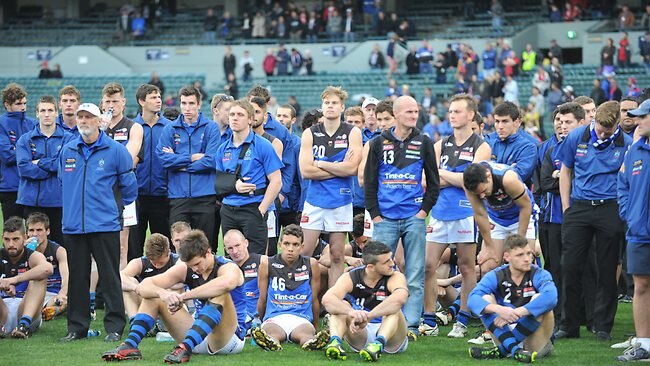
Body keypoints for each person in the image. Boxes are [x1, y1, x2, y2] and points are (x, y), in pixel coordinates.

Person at [102, 230, 247, 363]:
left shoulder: (228, 267)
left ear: (208, 252)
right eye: (191, 266)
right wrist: (164, 294)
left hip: (227, 340)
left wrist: (184, 296)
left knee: (221, 294)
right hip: (197, 336)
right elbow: (145, 285)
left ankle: (185, 348)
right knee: (154, 296)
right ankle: (130, 345)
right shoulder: (186, 268)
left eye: (197, 263)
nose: (195, 269)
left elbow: (225, 284)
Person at [58, 102, 138, 343]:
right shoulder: (68, 150)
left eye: (88, 117)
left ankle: (114, 327)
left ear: (98, 121)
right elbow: (63, 182)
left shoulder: (116, 151)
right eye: (80, 117)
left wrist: (111, 209)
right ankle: (77, 328)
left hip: (105, 225)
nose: (82, 121)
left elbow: (130, 189)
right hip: (74, 226)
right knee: (77, 277)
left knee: (109, 276)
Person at [364, 95, 439, 337]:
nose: (414, 116)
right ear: (396, 114)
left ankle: (412, 325)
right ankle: (379, 321)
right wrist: (375, 215)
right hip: (384, 218)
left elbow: (434, 183)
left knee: (415, 273)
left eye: (416, 111)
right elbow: (369, 183)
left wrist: (422, 213)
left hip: (413, 218)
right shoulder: (377, 143)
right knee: (380, 271)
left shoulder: (424, 142)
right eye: (408, 112)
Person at [556, 101, 632, 341]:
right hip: (579, 207)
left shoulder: (626, 144)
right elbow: (566, 171)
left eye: (607, 132)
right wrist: (567, 207)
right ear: (594, 120)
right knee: (570, 266)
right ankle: (569, 325)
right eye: (599, 128)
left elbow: (627, 179)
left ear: (616, 126)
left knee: (607, 269)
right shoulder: (577, 136)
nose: (601, 134)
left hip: (610, 207)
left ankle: (602, 326)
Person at [422, 94, 491, 338]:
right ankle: (428, 320)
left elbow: (472, 183)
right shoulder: (441, 143)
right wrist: (454, 177)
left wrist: (443, 174)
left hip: (465, 213)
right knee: (428, 266)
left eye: (457, 111)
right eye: (450, 111)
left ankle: (461, 320)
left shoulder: (481, 146)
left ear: (471, 115)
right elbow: (426, 180)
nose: (452, 115)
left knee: (466, 266)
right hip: (439, 213)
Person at [299, 86, 362, 288]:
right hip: (315, 200)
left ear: (342, 107)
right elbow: (306, 171)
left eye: (334, 103)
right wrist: (338, 167)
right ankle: (302, 297)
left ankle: (332, 304)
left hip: (341, 201)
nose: (330, 106)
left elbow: (352, 168)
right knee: (304, 252)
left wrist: (322, 163)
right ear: (322, 106)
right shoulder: (310, 133)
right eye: (327, 103)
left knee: (337, 255)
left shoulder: (352, 132)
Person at [468, 234, 556, 364]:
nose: (527, 259)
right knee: (485, 299)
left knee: (541, 300)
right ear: (507, 257)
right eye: (520, 255)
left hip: (535, 339)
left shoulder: (538, 274)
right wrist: (499, 309)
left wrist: (518, 312)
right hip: (504, 329)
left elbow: (551, 297)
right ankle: (514, 349)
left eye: (528, 254)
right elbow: (472, 299)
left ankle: (504, 350)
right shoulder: (497, 275)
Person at [157, 86, 221, 251]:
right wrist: (192, 157)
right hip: (179, 197)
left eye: (191, 103)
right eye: (184, 103)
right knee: (179, 247)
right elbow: (163, 159)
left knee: (205, 247)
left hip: (205, 196)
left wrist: (179, 163)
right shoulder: (170, 129)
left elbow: (212, 160)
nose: (187, 108)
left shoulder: (211, 128)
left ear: (199, 104)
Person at [322, 241, 409, 361]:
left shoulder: (395, 276)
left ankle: (378, 345)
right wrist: (351, 312)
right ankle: (335, 343)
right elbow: (327, 299)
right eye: (386, 262)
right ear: (371, 267)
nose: (392, 263)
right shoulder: (351, 276)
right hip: (359, 331)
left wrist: (369, 316)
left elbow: (400, 298)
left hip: (392, 337)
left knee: (394, 309)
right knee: (340, 306)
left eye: (390, 258)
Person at [217, 99, 283, 255]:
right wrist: (234, 186)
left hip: (253, 207)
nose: (234, 118)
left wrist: (261, 209)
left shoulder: (263, 145)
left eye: (240, 114)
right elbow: (219, 182)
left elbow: (276, 180)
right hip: (229, 209)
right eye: (232, 114)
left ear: (250, 120)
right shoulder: (222, 148)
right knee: (231, 259)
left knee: (254, 260)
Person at [538, 103, 585, 325]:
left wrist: (562, 177)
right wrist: (563, 179)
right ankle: (558, 314)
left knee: (576, 267)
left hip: (575, 217)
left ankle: (580, 315)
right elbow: (545, 182)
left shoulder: (586, 147)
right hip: (550, 218)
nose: (561, 125)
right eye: (559, 121)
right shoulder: (549, 149)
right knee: (554, 267)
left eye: (567, 122)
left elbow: (581, 182)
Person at [251, 224, 328, 351]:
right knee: (272, 334)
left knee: (306, 336)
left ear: (302, 247)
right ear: (279, 244)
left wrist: (315, 327)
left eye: (295, 244)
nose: (290, 249)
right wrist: (261, 320)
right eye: (286, 244)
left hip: (301, 318)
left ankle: (312, 341)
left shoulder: (311, 264)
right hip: (274, 318)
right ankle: (270, 342)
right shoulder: (267, 263)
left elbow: (314, 299)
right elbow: (262, 298)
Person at [616, 99, 650, 361]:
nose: (637, 121)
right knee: (640, 286)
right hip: (639, 231)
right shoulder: (635, 150)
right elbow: (623, 184)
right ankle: (644, 344)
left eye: (642, 116)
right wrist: (629, 213)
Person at [16, 95, 73, 246]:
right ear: (37, 113)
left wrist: (40, 162)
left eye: (50, 110)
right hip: (32, 202)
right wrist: (53, 166)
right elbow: (24, 169)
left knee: (61, 246)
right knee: (33, 246)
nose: (46, 114)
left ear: (56, 112)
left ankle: (61, 271)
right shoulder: (25, 140)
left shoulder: (69, 139)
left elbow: (66, 166)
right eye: (43, 110)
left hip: (59, 202)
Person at [463, 161, 538, 272]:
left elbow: (526, 206)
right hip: (496, 218)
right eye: (478, 194)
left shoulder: (508, 179)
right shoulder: (469, 187)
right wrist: (488, 246)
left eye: (484, 191)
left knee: (522, 262)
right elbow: (480, 214)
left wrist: (519, 241)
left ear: (488, 176)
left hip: (520, 216)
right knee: (489, 265)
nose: (482, 196)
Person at [101, 83, 144, 268]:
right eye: (108, 101)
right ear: (102, 103)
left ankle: (119, 287)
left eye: (115, 101)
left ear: (123, 102)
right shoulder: (95, 128)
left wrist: (102, 160)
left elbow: (127, 160)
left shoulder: (133, 127)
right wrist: (100, 132)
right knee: (98, 243)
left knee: (121, 244)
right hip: (99, 191)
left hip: (123, 191)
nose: (111, 105)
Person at [131, 84, 172, 260]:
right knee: (134, 244)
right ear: (142, 101)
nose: (158, 100)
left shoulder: (170, 127)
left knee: (163, 244)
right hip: (136, 195)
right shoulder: (132, 127)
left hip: (163, 195)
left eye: (159, 97)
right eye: (153, 97)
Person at [0, 216, 53, 338]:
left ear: (25, 238)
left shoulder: (32, 255)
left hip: (26, 309)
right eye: (7, 239)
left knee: (39, 278)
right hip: (3, 310)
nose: (11, 244)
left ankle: (23, 326)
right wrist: (3, 284)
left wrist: (13, 280)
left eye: (15, 239)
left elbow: (47, 268)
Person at [0, 83, 38, 221]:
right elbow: (7, 155)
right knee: (13, 231)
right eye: (18, 104)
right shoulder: (1, 123)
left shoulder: (33, 124)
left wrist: (17, 148)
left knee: (33, 233)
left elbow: (40, 153)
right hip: (11, 187)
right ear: (7, 104)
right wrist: (28, 151)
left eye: (24, 103)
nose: (22, 107)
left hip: (32, 186)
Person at [120, 233, 179, 319]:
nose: (157, 266)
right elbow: (120, 278)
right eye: (153, 262)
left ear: (169, 252)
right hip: (147, 303)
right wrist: (137, 288)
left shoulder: (178, 262)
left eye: (161, 263)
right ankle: (135, 321)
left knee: (176, 287)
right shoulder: (140, 263)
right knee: (129, 283)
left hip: (170, 304)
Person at [27, 212, 69, 322]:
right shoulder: (23, 250)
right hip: (31, 292)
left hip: (53, 292)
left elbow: (66, 278)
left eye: (39, 230)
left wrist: (62, 294)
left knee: (63, 301)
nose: (35, 234)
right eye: (31, 230)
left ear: (47, 231)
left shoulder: (58, 251)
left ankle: (49, 311)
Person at [223, 229, 266, 334]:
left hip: (256, 317)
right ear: (225, 250)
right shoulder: (224, 267)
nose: (235, 251)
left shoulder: (263, 262)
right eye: (230, 248)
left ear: (246, 243)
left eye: (237, 245)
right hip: (234, 314)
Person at [485, 102, 538, 186]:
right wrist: (509, 168)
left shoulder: (528, 147)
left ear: (516, 122)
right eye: (497, 121)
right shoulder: (488, 142)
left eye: (505, 121)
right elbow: (479, 174)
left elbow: (516, 177)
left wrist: (491, 167)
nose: (500, 126)